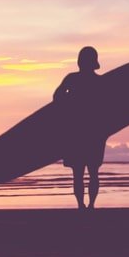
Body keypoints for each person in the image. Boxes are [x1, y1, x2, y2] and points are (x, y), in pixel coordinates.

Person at [54, 46, 104, 209]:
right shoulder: (100, 82)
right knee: (93, 173)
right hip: (94, 133)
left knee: (78, 174)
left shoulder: (72, 79)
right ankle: (90, 206)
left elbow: (57, 97)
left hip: (76, 132)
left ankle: (82, 205)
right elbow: (108, 108)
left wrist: (69, 102)